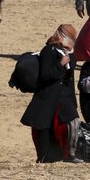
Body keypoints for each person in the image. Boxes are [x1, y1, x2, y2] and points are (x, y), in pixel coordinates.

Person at [21, 24, 79, 163]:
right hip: (48, 99)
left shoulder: (67, 54)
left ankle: (69, 154)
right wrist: (61, 64)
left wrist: (73, 101)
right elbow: (45, 75)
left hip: (63, 99)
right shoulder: (49, 51)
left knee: (71, 125)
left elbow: (69, 80)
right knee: (45, 133)